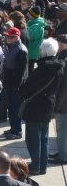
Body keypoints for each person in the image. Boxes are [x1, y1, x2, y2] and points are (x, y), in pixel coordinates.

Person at [20, 38, 63, 175]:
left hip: (35, 107)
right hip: (49, 105)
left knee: (33, 139)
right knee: (43, 138)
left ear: (43, 52)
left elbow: (26, 88)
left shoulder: (42, 69)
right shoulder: (58, 68)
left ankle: (35, 165)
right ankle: (42, 165)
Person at [2, 27, 29, 140]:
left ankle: (17, 131)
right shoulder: (12, 46)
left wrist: (15, 86)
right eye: (7, 36)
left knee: (15, 109)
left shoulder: (21, 50)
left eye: (10, 37)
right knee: (11, 109)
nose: (7, 38)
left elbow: (21, 71)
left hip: (15, 86)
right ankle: (13, 128)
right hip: (10, 84)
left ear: (17, 37)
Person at [51, 34, 67, 164]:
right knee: (61, 130)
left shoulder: (64, 59)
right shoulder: (62, 56)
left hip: (63, 104)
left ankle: (63, 155)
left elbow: (64, 87)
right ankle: (62, 151)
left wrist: (58, 104)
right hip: (63, 102)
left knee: (62, 130)